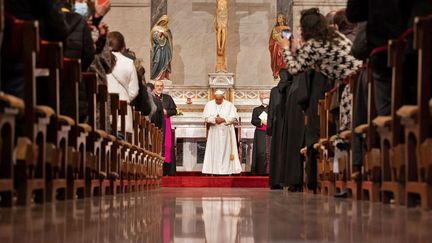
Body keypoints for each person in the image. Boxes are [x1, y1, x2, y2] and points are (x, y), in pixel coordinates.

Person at [278, 8, 362, 82]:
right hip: (359, 75)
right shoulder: (333, 33)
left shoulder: (315, 44)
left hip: (353, 82)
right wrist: (295, 50)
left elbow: (294, 69)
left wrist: (285, 48)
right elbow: (311, 59)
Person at [106, 31, 139, 138]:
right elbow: (134, 90)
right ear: (122, 46)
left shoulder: (100, 59)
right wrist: (124, 101)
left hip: (102, 113)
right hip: (121, 114)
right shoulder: (128, 62)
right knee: (119, 147)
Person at [202, 90, 242, 175]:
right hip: (214, 131)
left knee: (226, 151)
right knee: (214, 150)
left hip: (226, 131)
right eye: (216, 99)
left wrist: (223, 119)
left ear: (223, 97)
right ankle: (213, 170)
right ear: (214, 97)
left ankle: (227, 170)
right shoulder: (209, 105)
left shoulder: (229, 105)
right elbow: (205, 118)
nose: (218, 101)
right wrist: (214, 120)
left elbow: (234, 118)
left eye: (220, 99)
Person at [153, 80, 177, 175]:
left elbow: (174, 111)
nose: (159, 87)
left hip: (165, 125)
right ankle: (155, 170)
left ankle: (167, 171)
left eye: (161, 86)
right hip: (155, 125)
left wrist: (167, 112)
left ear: (163, 87)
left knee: (167, 146)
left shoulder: (167, 98)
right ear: (154, 87)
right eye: (157, 86)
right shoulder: (151, 98)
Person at [250, 92, 271, 175]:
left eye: (267, 97)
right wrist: (261, 121)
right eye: (263, 98)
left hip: (270, 132)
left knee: (270, 151)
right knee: (261, 151)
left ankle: (270, 171)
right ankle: (261, 171)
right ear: (260, 99)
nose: (265, 99)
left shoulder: (273, 108)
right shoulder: (256, 109)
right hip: (260, 133)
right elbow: (253, 120)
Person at [150, 15, 173, 80]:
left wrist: (166, 35)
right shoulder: (155, 28)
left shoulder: (167, 29)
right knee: (157, 61)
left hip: (166, 48)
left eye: (166, 22)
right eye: (164, 21)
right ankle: (156, 76)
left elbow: (170, 38)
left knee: (166, 62)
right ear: (161, 21)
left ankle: (164, 76)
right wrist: (158, 35)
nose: (165, 23)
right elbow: (153, 38)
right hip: (158, 48)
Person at [268, 14, 289, 79]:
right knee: (276, 56)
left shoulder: (286, 28)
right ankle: (276, 72)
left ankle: (284, 72)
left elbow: (287, 38)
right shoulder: (275, 28)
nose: (278, 19)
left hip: (283, 46)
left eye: (280, 17)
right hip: (276, 47)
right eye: (278, 17)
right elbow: (273, 37)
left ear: (283, 19)